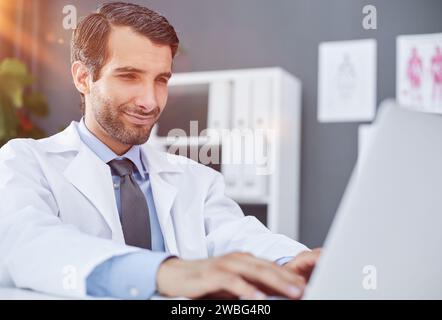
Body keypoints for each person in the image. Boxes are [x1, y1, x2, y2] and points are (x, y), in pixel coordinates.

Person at [0, 2, 320, 300]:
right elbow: (27, 242)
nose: (150, 101)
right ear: (84, 77)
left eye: (161, 80)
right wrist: (161, 272)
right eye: (129, 76)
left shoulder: (195, 179)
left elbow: (236, 233)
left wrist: (290, 260)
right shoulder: (26, 161)